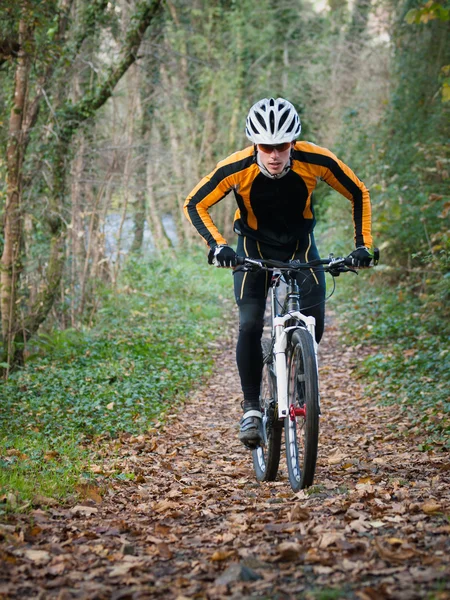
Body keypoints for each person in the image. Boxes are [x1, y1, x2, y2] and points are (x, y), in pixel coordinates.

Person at [183, 97, 372, 449]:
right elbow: (195, 202)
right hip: (252, 251)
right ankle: (252, 407)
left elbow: (358, 192)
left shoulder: (316, 160)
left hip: (300, 248)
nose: (273, 154)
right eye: (266, 146)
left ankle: (301, 372)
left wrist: (362, 245)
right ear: (255, 144)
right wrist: (218, 245)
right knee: (251, 324)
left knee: (314, 324)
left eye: (281, 146)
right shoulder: (236, 167)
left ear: (293, 144)